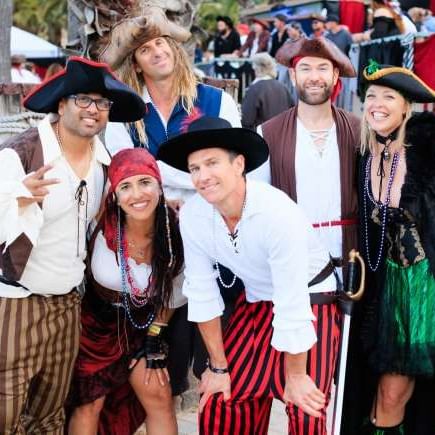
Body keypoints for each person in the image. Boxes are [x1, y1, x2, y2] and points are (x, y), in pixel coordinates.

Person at [157, 116, 344, 435]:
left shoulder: (276, 212)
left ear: (239, 164)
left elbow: (291, 299)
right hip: (258, 298)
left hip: (312, 298)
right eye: (195, 168)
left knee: (306, 411)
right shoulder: (193, 216)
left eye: (212, 163)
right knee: (222, 402)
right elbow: (202, 292)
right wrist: (217, 367)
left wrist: (295, 376)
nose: (203, 176)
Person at [0, 56, 145, 434]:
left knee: (51, 413)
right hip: (15, 305)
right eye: (83, 100)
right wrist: (17, 197)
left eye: (102, 103)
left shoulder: (103, 163)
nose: (94, 110)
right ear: (61, 104)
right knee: (5, 409)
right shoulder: (21, 154)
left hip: (67, 305)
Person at [262, 37, 361, 434]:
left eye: (323, 69)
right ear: (293, 74)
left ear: (335, 76)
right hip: (300, 275)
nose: (314, 77)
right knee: (309, 389)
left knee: (352, 380)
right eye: (306, 68)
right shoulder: (267, 132)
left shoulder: (359, 129)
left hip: (354, 270)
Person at [68, 148, 185, 435]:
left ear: (159, 186)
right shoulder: (99, 222)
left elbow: (176, 292)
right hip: (95, 329)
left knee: (158, 394)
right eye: (126, 186)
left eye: (145, 183)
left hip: (147, 325)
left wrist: (155, 336)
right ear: (115, 195)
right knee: (90, 402)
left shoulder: (175, 232)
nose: (137, 195)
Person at [358, 61, 435, 435]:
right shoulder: (365, 156)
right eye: (371, 96)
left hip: (423, 291)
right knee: (376, 397)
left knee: (392, 395)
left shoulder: (428, 149)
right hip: (382, 290)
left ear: (407, 107)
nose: (377, 103)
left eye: (389, 96)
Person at [241, 52, 293, 130]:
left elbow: (246, 120)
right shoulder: (283, 87)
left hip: (262, 137)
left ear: (257, 68)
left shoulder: (255, 89)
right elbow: (292, 114)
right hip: (283, 135)